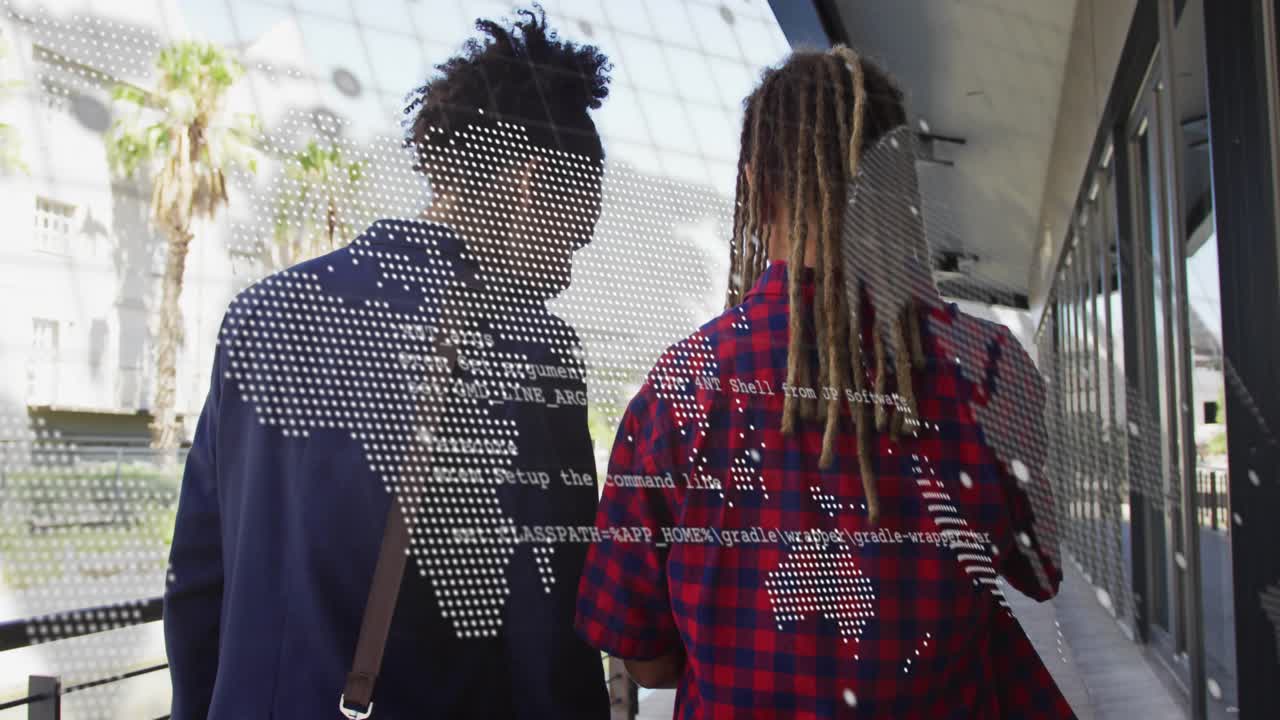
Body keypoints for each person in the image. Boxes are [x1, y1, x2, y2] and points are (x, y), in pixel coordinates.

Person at [575, 46, 1073, 718]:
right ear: (899, 185)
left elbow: (644, 653)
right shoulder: (984, 365)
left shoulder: (683, 388)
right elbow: (1038, 572)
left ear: (756, 185)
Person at [164, 7, 611, 718]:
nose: (563, 273)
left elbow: (197, 579)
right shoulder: (531, 352)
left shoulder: (258, 315)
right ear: (530, 187)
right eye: (570, 238)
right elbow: (547, 637)